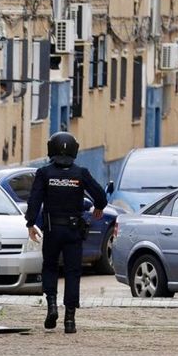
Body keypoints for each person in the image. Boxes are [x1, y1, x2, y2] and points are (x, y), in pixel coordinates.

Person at [25, 131, 107, 334]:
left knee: (50, 268)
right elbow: (100, 195)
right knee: (73, 273)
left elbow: (34, 200)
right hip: (73, 231)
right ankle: (70, 319)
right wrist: (99, 207)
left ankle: (52, 305)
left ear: (51, 149)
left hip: (52, 230)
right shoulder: (80, 173)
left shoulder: (44, 173)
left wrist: (30, 224)